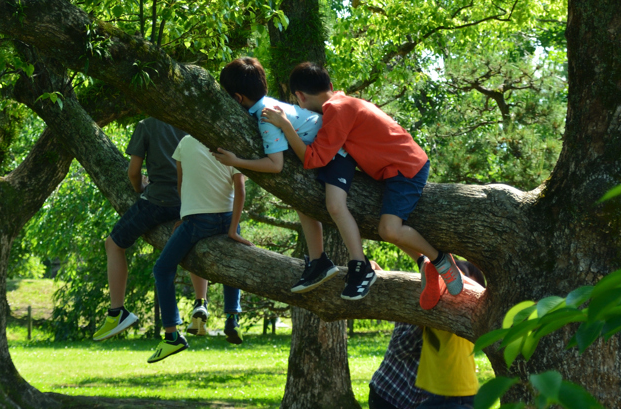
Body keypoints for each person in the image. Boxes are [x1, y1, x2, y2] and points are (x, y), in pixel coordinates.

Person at [262, 62, 463, 305]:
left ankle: (440, 259)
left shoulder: (336, 110)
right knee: (386, 221)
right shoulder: (344, 102)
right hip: (392, 168)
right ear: (330, 85)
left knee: (389, 230)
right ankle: (423, 262)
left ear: (300, 97)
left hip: (406, 168)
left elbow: (313, 158)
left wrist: (285, 125)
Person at [213, 57, 369, 299]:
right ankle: (319, 261)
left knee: (335, 206)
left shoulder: (266, 116)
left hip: (337, 153)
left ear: (237, 98)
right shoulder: (268, 105)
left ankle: (359, 264)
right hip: (324, 150)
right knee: (301, 201)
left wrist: (236, 162)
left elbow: (275, 165)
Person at [148, 135, 251, 363]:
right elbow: (240, 189)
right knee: (231, 260)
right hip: (227, 218)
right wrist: (233, 229)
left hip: (198, 220)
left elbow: (181, 184)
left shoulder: (185, 142)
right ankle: (232, 317)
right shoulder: (232, 142)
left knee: (162, 269)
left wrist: (184, 214)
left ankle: (172, 336)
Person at [93, 117, 185, 341]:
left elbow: (134, 172)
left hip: (158, 201)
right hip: (187, 203)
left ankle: (117, 312)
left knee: (113, 244)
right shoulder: (190, 122)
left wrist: (139, 187)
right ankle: (200, 304)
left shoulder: (148, 124)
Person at [408, 261, 484, 409]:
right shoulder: (429, 306)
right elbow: (426, 269)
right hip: (429, 400)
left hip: (464, 401)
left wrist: (462, 283)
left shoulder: (468, 314)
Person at [369, 316, 429, 409]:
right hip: (388, 398)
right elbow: (398, 349)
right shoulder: (411, 310)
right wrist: (422, 324)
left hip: (419, 408)